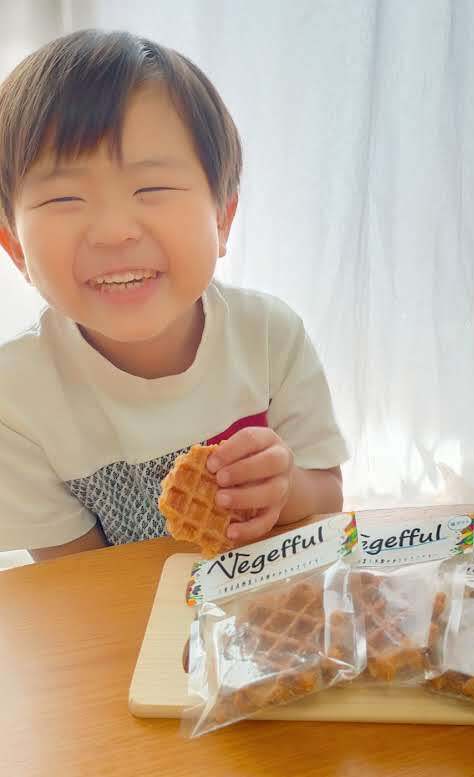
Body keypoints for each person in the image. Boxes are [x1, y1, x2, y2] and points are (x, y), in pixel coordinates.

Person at [0, 30, 348, 561]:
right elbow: (75, 581)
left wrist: (287, 489)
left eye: (153, 189)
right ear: (15, 247)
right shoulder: (16, 398)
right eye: (65, 197)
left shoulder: (269, 336)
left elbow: (328, 496)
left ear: (222, 219)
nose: (115, 231)